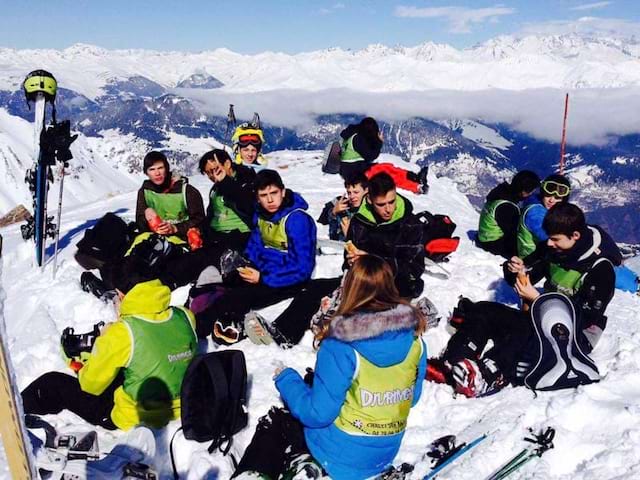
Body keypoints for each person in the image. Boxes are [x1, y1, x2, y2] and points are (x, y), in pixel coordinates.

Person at [232, 255, 427, 480]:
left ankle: (256, 473)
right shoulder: (416, 341)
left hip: (341, 455)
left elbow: (317, 414)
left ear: (350, 288)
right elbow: (411, 398)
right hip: (384, 452)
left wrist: (287, 379)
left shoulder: (341, 344)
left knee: (277, 423)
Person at [429, 203, 617, 397]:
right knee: (484, 310)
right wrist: (515, 270)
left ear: (575, 236)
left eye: (555, 239)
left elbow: (586, 318)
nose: (550, 243)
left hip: (578, 336)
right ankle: (454, 361)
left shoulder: (600, 268)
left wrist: (538, 299)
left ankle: (488, 376)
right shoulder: (555, 250)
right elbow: (529, 274)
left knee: (523, 331)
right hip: (543, 318)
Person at [21, 279, 198, 430]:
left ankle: (13, 413)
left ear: (122, 296)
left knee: (52, 383)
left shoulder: (123, 333)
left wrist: (102, 344)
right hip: (183, 405)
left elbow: (90, 385)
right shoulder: (184, 315)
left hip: (133, 416)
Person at [194, 169, 317, 341]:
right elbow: (255, 246)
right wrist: (245, 264)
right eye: (264, 195)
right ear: (257, 197)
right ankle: (200, 303)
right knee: (227, 279)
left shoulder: (297, 220)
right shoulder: (261, 215)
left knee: (237, 297)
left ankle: (198, 327)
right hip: (262, 271)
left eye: (274, 193)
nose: (270, 199)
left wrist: (263, 278)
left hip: (287, 279)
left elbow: (302, 268)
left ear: (283, 191)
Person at [346, 172, 426, 299]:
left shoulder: (411, 224)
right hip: (363, 286)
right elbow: (346, 261)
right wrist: (351, 261)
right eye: (381, 204)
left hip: (397, 288)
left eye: (391, 201)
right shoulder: (359, 222)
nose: (388, 209)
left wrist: (373, 262)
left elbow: (414, 268)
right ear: (370, 200)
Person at [338, 117, 429, 195]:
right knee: (387, 174)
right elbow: (371, 156)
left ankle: (414, 178)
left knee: (388, 167)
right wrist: (379, 142)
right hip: (355, 172)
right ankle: (417, 187)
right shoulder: (357, 139)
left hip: (353, 169)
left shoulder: (352, 135)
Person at [135, 150, 205, 242]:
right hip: (155, 239)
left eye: (160, 168)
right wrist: (148, 221)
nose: (157, 173)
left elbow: (200, 220)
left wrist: (175, 228)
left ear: (167, 168)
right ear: (146, 172)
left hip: (184, 238)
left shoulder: (187, 190)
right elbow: (140, 223)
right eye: (152, 169)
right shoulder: (145, 192)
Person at [477, 170, 540, 258]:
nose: (531, 194)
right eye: (531, 191)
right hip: (493, 243)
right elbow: (515, 231)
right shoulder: (507, 206)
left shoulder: (501, 194)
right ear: (523, 192)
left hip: (485, 237)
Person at [517, 174, 571, 258]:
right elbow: (551, 239)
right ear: (543, 193)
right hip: (531, 259)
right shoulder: (535, 213)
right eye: (548, 195)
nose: (551, 200)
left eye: (557, 197)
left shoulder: (538, 205)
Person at [317, 172, 368, 241]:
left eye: (356, 192)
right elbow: (321, 223)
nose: (352, 196)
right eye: (349, 192)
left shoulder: (371, 209)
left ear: (366, 190)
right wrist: (333, 212)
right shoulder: (341, 203)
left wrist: (350, 235)